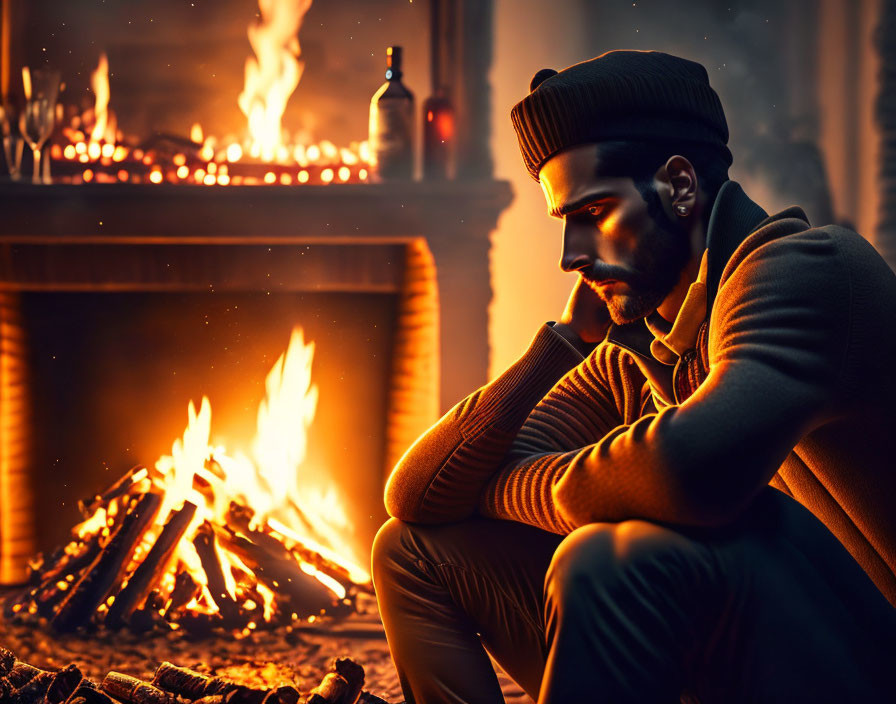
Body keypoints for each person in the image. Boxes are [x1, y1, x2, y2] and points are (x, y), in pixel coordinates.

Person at [371, 50, 896, 704]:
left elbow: (688, 474)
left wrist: (501, 485)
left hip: (874, 665)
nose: (572, 257)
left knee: (610, 559)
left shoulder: (809, 272)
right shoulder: (645, 343)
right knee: (412, 551)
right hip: (758, 657)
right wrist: (557, 349)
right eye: (565, 225)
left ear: (679, 187)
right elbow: (416, 494)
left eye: (593, 214)